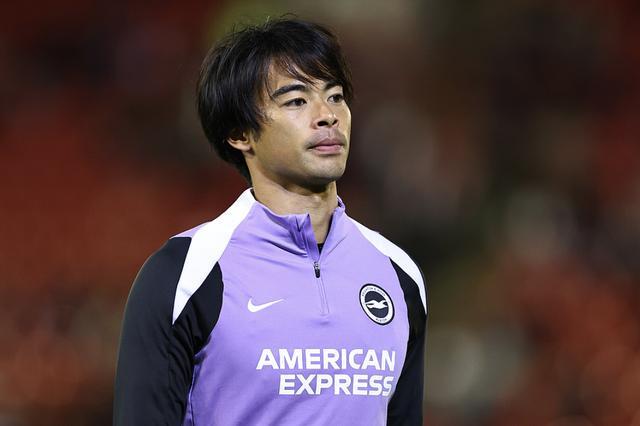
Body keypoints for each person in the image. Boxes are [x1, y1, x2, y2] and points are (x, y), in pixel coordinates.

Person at [113, 18, 428, 426]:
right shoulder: (185, 275)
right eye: (296, 101)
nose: (327, 116)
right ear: (240, 133)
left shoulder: (399, 275)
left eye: (335, 96)